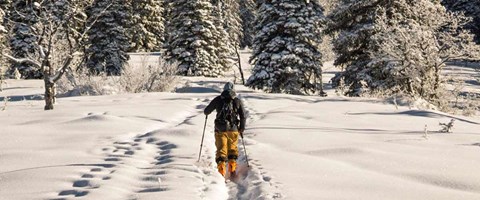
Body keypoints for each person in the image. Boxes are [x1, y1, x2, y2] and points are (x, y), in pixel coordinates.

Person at [204, 82, 246, 178]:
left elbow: (206, 111)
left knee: (221, 150)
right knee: (232, 149)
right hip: (233, 129)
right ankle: (232, 170)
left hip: (220, 129)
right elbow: (243, 116)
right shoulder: (237, 101)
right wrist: (241, 128)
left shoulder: (218, 99)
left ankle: (221, 172)